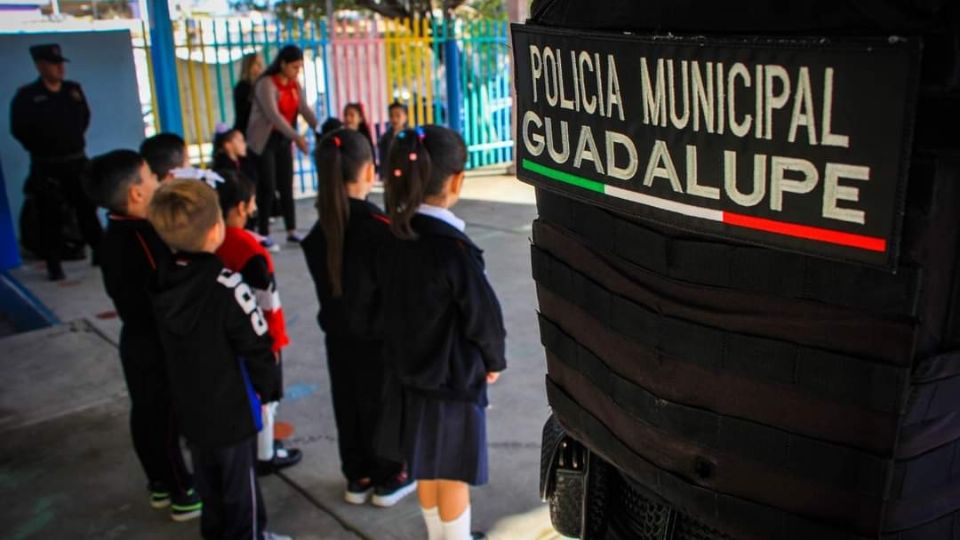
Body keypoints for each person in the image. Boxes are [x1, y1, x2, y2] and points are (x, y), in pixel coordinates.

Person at [378, 126, 507, 540]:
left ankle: (439, 536)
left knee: (427, 467)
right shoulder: (454, 251)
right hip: (450, 382)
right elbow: (483, 317)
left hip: (408, 378)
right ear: (456, 180)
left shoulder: (392, 237)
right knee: (452, 473)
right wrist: (493, 361)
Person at [147, 179, 290, 540]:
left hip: (189, 408)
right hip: (230, 410)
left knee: (209, 485)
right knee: (241, 487)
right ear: (216, 231)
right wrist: (270, 388)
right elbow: (258, 344)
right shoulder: (228, 286)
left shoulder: (160, 281)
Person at [82, 150, 201, 522]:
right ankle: (182, 490)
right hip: (157, 343)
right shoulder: (144, 238)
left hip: (136, 338)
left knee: (147, 414)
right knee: (164, 416)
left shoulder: (114, 234)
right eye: (150, 175)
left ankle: (160, 484)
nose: (157, 180)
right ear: (136, 193)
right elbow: (169, 290)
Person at [301, 129, 413, 508]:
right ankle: (390, 476)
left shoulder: (321, 230)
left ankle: (357, 474)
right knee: (380, 403)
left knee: (346, 400)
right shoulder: (380, 228)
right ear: (369, 170)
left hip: (338, 337)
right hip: (378, 341)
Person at [212, 171, 303, 475]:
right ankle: (264, 454)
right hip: (257, 339)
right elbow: (268, 303)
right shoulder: (250, 250)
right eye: (251, 204)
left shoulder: (209, 242)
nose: (253, 209)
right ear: (241, 207)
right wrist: (274, 343)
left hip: (221, 337)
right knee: (266, 397)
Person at [10, 43, 102, 280]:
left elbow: (84, 119)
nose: (60, 68)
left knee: (87, 211)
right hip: (47, 165)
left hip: (76, 161)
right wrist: (45, 147)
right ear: (40, 66)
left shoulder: (73, 90)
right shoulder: (28, 96)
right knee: (48, 216)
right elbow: (19, 129)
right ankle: (54, 265)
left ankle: (101, 256)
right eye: (54, 64)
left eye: (61, 63)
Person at [246, 45, 318, 244]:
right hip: (264, 141)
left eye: (299, 67)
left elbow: (303, 108)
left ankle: (292, 230)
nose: (297, 71)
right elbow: (274, 116)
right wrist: (298, 137)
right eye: (294, 67)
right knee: (267, 186)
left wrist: (319, 128)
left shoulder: (295, 85)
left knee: (287, 184)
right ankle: (264, 232)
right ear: (283, 64)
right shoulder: (266, 84)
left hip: (283, 140)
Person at [233, 53, 264, 135]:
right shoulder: (243, 86)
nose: (261, 67)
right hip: (246, 132)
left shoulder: (260, 85)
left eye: (261, 64)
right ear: (249, 66)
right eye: (257, 64)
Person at [377, 102, 408, 178]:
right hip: (389, 175)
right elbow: (383, 159)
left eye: (398, 115)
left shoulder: (411, 136)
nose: (394, 119)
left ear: (405, 117)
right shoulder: (384, 138)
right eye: (391, 116)